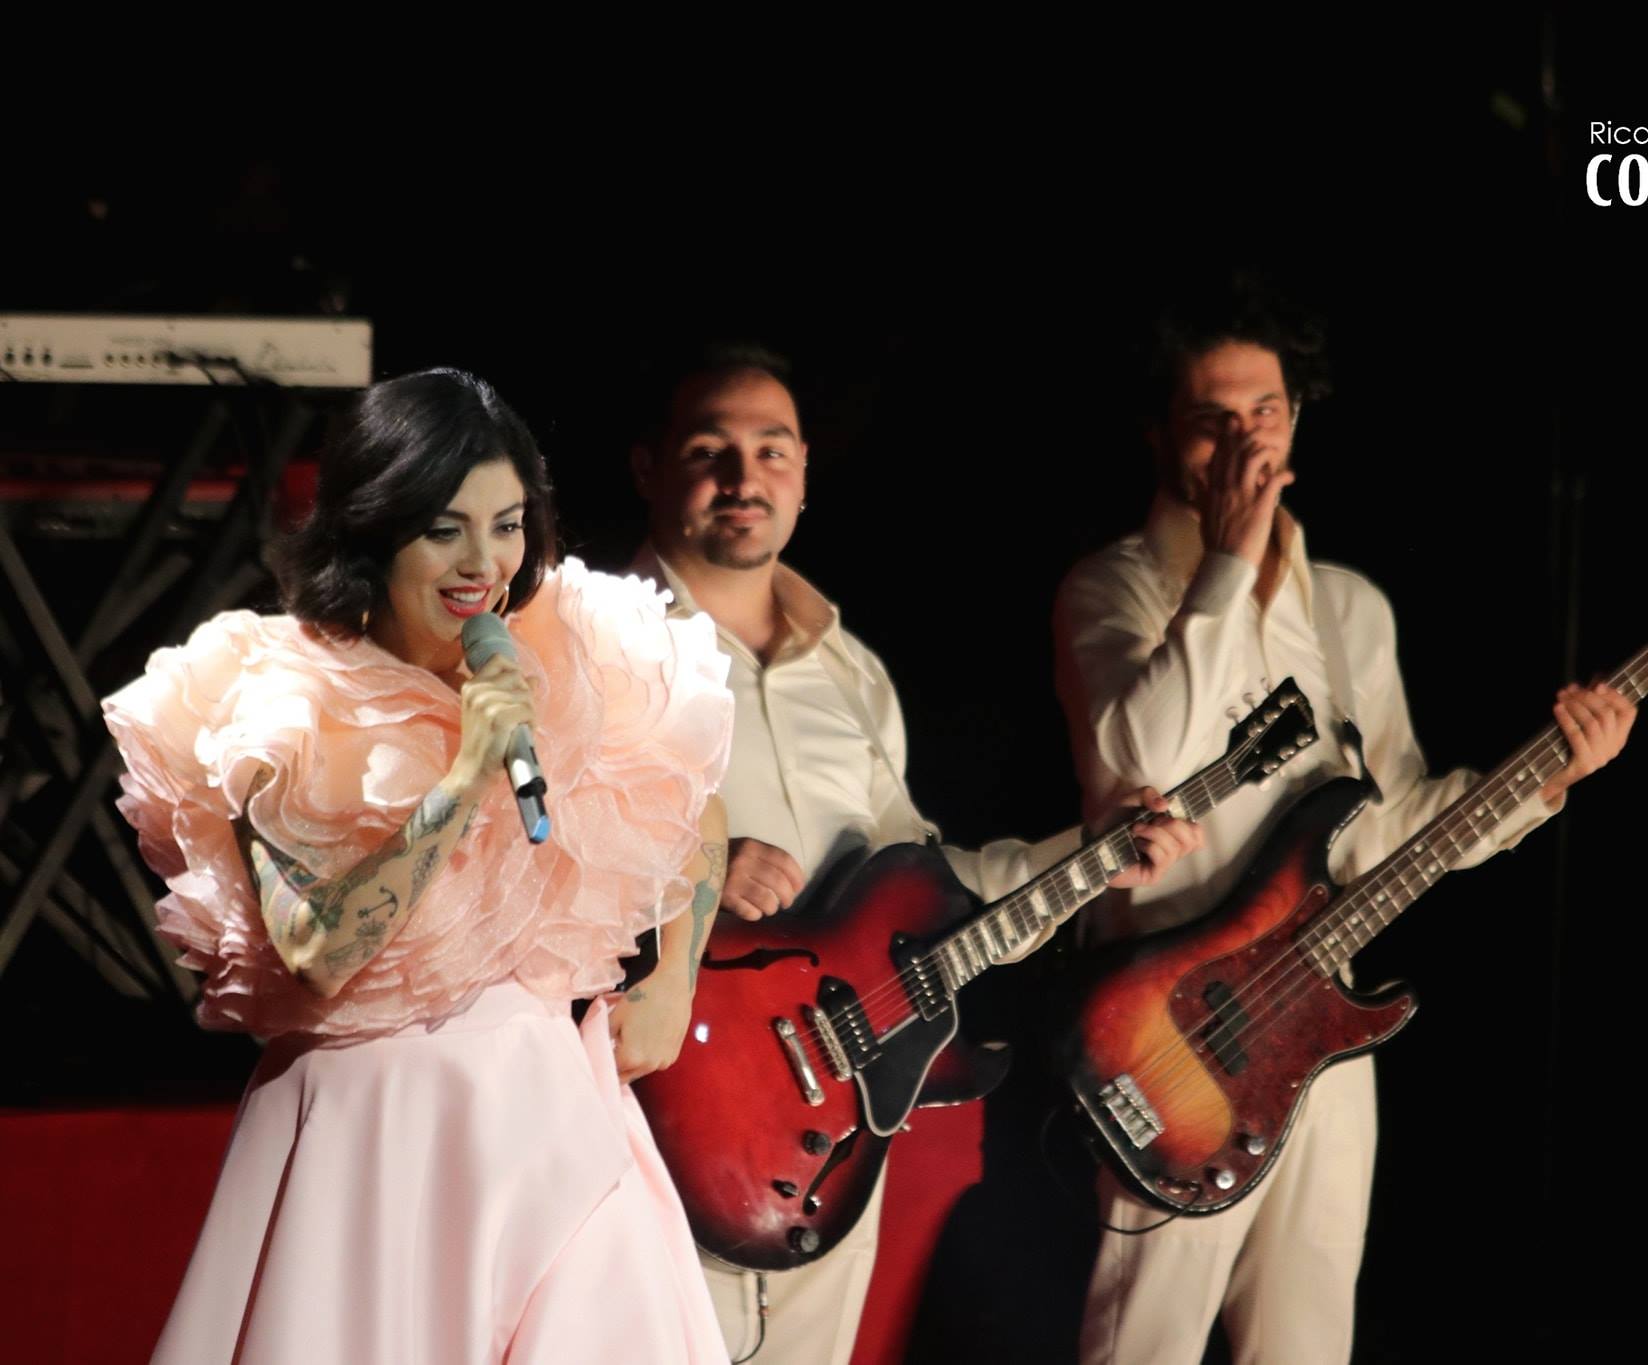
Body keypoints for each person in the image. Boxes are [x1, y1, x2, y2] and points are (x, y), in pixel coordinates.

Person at [103, 369, 736, 1363]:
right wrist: (463, 774)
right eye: (445, 529)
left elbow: (696, 806)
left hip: (547, 1122)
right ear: (374, 527)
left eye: (506, 524)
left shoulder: (565, 651)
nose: (482, 562)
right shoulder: (280, 705)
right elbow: (317, 950)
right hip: (376, 1139)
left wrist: (673, 976)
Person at [1052, 293, 1637, 1362]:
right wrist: (1228, 564)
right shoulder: (1110, 587)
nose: (1246, 444)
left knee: (1309, 1338)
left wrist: (1547, 779)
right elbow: (1138, 760)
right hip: (1168, 1032)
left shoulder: (1347, 606)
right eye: (1212, 419)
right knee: (1145, 1340)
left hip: (1317, 1024)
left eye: (1265, 413)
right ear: (1158, 432)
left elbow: (1384, 829)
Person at [621, 344, 1202, 1365]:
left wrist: (1089, 855)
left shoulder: (852, 676)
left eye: (770, 450)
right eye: (710, 450)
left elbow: (928, 889)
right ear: (648, 466)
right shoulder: (595, 646)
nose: (743, 478)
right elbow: (515, 858)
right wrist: (690, 869)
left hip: (825, 1145)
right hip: (653, 1127)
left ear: (804, 469)